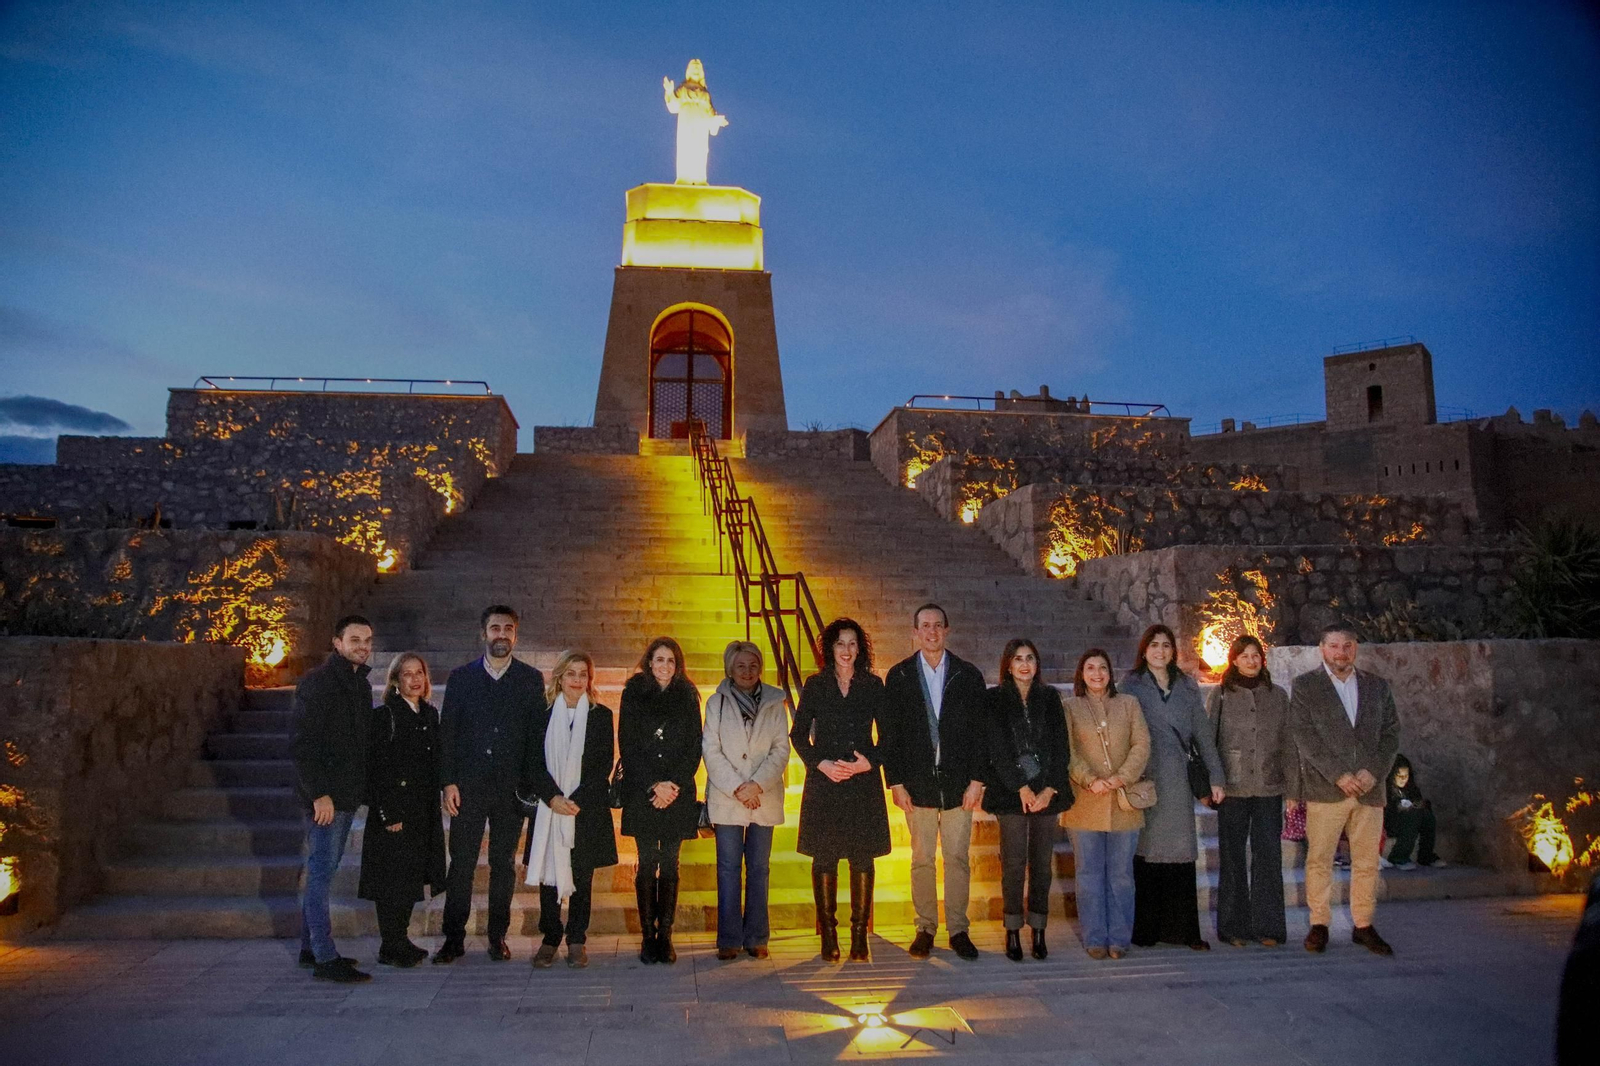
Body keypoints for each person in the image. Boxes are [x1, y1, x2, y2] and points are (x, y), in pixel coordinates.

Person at [434, 605, 546, 964]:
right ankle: (453, 938)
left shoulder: (530, 679)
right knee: (462, 863)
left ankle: (497, 936)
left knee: (503, 864)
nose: (502, 634)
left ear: (515, 635)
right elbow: (447, 732)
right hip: (468, 787)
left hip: (510, 791)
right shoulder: (461, 678)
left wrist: (531, 785)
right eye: (495, 628)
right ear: (483, 634)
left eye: (508, 628)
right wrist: (448, 781)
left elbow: (535, 736)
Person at [881, 603, 989, 961]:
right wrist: (895, 782)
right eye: (924, 626)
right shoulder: (898, 677)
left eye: (938, 625)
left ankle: (958, 929)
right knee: (922, 859)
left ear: (947, 630)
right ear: (914, 632)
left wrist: (978, 780)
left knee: (957, 858)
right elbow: (890, 734)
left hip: (959, 785)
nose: (931, 632)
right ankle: (925, 927)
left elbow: (979, 734)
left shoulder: (968, 675)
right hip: (918, 784)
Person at [1290, 623, 1401, 956]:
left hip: (1369, 790)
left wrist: (1374, 772)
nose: (1341, 652)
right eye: (1334, 646)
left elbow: (1391, 734)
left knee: (1367, 862)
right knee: (1319, 859)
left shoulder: (1377, 687)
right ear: (1322, 649)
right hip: (1327, 789)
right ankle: (1319, 924)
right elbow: (1304, 735)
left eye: (1347, 646)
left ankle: (1363, 925)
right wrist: (1338, 774)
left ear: (1356, 649)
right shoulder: (1306, 686)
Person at [791, 617, 891, 962]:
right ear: (829, 649)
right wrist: (821, 764)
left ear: (860, 648)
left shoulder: (874, 685)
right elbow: (798, 735)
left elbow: (890, 737)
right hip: (826, 781)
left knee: (863, 855)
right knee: (825, 855)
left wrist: (870, 762)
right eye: (840, 644)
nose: (846, 650)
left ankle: (860, 934)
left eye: (852, 643)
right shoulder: (816, 685)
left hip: (862, 781)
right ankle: (829, 935)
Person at [1122, 625, 1225, 951]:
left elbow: (1204, 736)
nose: (1160, 651)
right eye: (1154, 645)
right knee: (1147, 853)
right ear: (1144, 649)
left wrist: (1217, 776)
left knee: (1180, 854)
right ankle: (1147, 930)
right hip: (1146, 780)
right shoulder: (1131, 685)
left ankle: (1185, 932)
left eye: (1166, 645)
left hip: (1179, 780)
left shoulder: (1187, 687)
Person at [290, 613, 375, 983]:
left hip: (345, 795)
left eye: (367, 640)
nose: (362, 646)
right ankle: (325, 958)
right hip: (326, 799)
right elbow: (302, 744)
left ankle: (311, 949)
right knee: (321, 875)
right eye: (355, 639)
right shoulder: (319, 684)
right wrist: (318, 794)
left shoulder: (358, 685)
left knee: (324, 871)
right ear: (337, 643)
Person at [523, 651, 618, 969]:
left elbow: (603, 765)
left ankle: (577, 939)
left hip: (584, 809)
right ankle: (550, 938)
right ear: (559, 677)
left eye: (583, 674)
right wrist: (552, 797)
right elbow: (532, 762)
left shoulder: (601, 716)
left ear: (590, 679)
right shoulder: (541, 714)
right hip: (550, 808)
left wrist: (574, 800)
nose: (577, 680)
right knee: (550, 879)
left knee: (582, 876)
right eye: (571, 673)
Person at [982, 638, 1072, 962]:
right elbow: (996, 748)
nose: (1024, 664)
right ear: (1008, 664)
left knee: (1041, 865)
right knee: (1014, 863)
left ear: (1037, 664)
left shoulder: (1050, 698)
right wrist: (1020, 787)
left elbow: (1061, 748)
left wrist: (1048, 789)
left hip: (1046, 794)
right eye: (1018, 658)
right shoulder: (994, 699)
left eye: (1030, 658)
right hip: (1011, 794)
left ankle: (1038, 929)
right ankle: (1012, 930)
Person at [702, 641, 790, 961]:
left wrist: (757, 786)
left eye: (753, 666)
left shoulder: (775, 702)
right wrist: (739, 787)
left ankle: (756, 936)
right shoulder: (717, 704)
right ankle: (728, 938)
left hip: (762, 797)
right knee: (727, 868)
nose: (747, 672)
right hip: (728, 798)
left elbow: (781, 750)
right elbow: (711, 750)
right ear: (730, 668)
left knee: (758, 868)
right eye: (741, 666)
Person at [1061, 648, 1150, 960]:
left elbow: (1141, 743)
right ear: (1081, 674)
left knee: (1122, 874)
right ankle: (1095, 937)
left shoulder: (1129, 704)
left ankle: (1120, 939)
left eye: (1102, 667)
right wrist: (1089, 779)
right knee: (1088, 873)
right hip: (1085, 803)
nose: (1097, 673)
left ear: (1110, 673)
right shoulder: (1070, 707)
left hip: (1123, 802)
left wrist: (1120, 778)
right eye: (1090, 668)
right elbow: (1067, 750)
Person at [359, 651, 446, 968]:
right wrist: (387, 814)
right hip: (394, 812)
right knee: (392, 880)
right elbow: (375, 769)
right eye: (407, 674)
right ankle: (390, 944)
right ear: (395, 681)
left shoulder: (429, 714)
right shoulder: (385, 716)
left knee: (411, 878)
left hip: (422, 811)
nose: (415, 679)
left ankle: (401, 939)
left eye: (419, 672)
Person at [619, 636, 703, 965]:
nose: (664, 666)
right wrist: (653, 785)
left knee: (669, 862)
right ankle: (646, 936)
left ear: (677, 665)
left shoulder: (687, 696)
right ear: (648, 662)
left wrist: (673, 786)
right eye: (659, 660)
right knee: (646, 862)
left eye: (670, 661)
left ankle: (665, 935)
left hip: (677, 794)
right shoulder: (633, 693)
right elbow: (628, 743)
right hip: (644, 792)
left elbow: (694, 746)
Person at [1206, 634, 1291, 947]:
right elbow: (1209, 742)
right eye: (1245, 655)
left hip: (1270, 786)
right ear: (1234, 659)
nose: (1251, 660)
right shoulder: (1221, 695)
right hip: (1233, 788)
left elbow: (1287, 742)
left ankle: (1269, 927)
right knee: (1232, 857)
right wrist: (1214, 780)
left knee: (1268, 856)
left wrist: (1292, 785)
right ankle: (1233, 927)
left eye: (1256, 655)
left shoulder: (1278, 696)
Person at [1382, 755, 1443, 870]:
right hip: (1391, 821)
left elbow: (1418, 801)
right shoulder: (1386, 789)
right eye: (1399, 776)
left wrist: (1418, 805)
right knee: (1412, 815)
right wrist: (1399, 807)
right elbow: (1387, 809)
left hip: (1409, 818)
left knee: (1427, 816)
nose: (1403, 779)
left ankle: (1426, 855)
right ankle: (1398, 857)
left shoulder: (1411, 788)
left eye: (1406, 776)